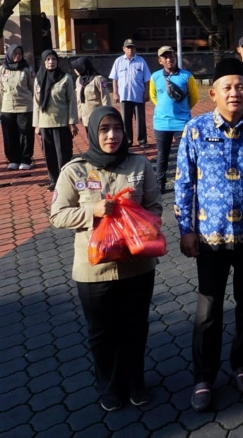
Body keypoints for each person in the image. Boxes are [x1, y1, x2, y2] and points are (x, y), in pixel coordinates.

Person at [175, 58, 243, 412]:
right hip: (210, 238)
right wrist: (186, 230)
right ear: (213, 93)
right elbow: (184, 183)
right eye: (227, 87)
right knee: (208, 310)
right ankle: (204, 376)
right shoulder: (195, 130)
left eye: (240, 87)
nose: (234, 93)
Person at [50, 106, 162, 411]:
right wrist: (92, 211)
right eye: (104, 129)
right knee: (101, 332)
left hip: (137, 265)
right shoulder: (75, 170)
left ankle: (136, 381)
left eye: (117, 128)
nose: (112, 135)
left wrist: (138, 223)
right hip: (94, 269)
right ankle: (109, 385)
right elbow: (58, 215)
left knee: (135, 327)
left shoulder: (139, 165)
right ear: (92, 132)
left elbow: (154, 206)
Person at [149, 46, 199, 194]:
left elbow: (194, 97)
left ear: (175, 57)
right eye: (165, 57)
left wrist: (182, 110)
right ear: (160, 61)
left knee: (184, 155)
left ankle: (187, 182)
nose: (169, 59)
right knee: (162, 155)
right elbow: (153, 96)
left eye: (171, 56)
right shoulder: (155, 77)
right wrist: (163, 109)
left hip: (181, 123)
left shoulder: (187, 76)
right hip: (161, 123)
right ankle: (160, 183)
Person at [34, 50, 79, 190]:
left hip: (62, 122)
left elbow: (72, 101)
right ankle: (53, 179)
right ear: (43, 62)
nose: (51, 62)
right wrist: (36, 124)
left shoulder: (65, 78)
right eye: (47, 59)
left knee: (63, 153)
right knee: (49, 154)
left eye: (53, 59)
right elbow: (36, 103)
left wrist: (72, 122)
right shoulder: (38, 79)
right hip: (45, 122)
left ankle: (65, 180)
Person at [109, 39, 151, 148]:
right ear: (124, 49)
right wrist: (115, 93)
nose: (130, 49)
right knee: (125, 120)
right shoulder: (118, 61)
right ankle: (127, 141)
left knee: (140, 120)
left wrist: (147, 93)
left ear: (135, 49)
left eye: (132, 47)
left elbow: (147, 79)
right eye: (128, 47)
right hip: (124, 95)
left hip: (138, 95)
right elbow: (114, 79)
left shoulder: (141, 61)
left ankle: (142, 141)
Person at [0, 44, 35, 170]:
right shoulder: (2, 70)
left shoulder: (27, 69)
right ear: (9, 54)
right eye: (14, 53)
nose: (17, 56)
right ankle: (13, 159)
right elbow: (0, 91)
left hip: (25, 107)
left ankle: (25, 159)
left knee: (25, 134)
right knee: (9, 134)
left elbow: (33, 88)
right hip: (7, 107)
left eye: (19, 53)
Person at [72, 57, 112, 134]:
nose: (75, 70)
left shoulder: (98, 79)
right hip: (86, 116)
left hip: (98, 115)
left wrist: (107, 114)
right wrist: (80, 114)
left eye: (77, 68)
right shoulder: (78, 80)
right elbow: (79, 99)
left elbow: (105, 97)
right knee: (90, 136)